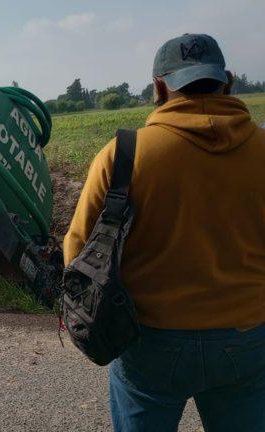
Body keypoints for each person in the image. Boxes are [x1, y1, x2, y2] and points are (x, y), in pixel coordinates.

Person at [64, 33, 265, 431]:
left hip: (149, 339)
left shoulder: (124, 153)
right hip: (247, 337)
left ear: (159, 87)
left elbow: (77, 247)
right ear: (228, 79)